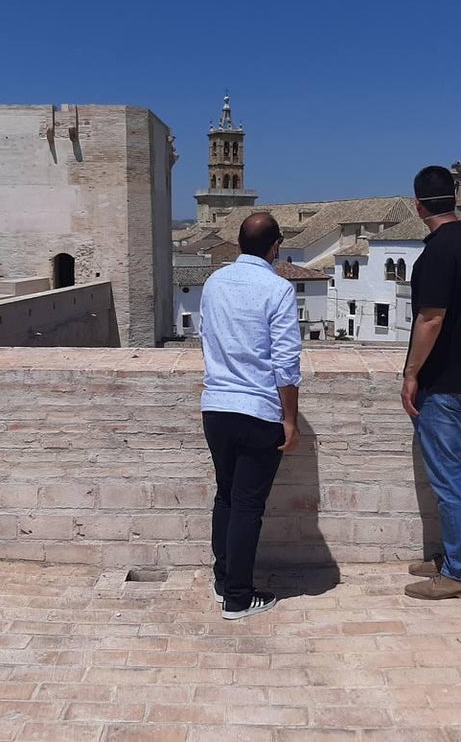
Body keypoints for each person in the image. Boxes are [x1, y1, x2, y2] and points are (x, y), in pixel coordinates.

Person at [400, 165, 461, 600]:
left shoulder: (435, 254)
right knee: (459, 471)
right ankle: (457, 554)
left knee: (449, 479)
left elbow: (431, 319)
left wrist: (410, 373)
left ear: (418, 205)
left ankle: (460, 573)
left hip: (440, 381)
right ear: (455, 199)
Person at [200, 212, 302, 620]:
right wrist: (290, 420)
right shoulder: (277, 290)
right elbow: (286, 363)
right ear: (275, 246)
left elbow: (206, 338)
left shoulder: (212, 283)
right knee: (246, 506)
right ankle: (239, 598)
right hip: (258, 410)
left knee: (225, 496)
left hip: (216, 408)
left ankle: (224, 579)